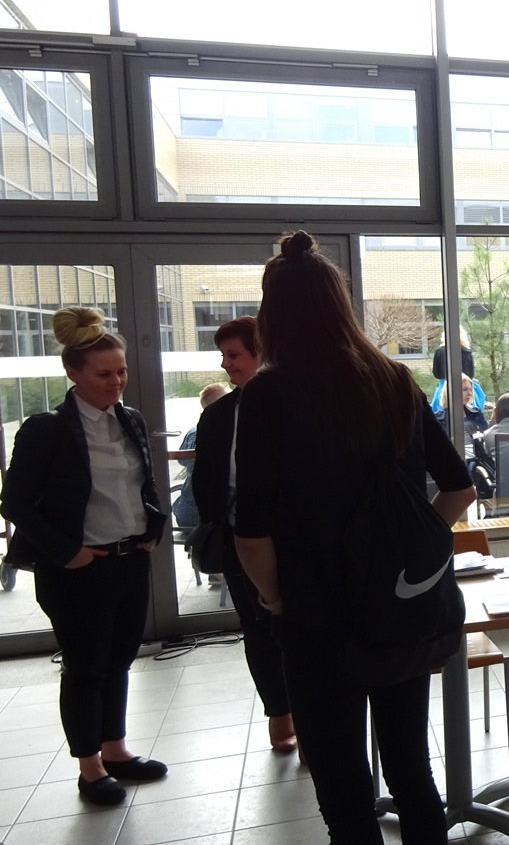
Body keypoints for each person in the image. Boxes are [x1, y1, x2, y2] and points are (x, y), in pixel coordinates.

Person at [232, 231, 476, 844]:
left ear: (271, 314)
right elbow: (458, 489)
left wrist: (275, 599)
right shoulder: (394, 379)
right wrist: (409, 548)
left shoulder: (267, 393)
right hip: (398, 606)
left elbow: (251, 532)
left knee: (343, 790)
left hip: (317, 616)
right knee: (412, 769)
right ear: (339, 304)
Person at [0, 307, 169, 806]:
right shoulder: (46, 429)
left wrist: (153, 526)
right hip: (78, 568)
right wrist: (66, 552)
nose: (116, 382)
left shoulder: (130, 419)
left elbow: (142, 484)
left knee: (119, 659)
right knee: (85, 666)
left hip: (129, 559)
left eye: (121, 371)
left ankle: (115, 750)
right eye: (103, 374)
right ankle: (89, 766)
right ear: (73, 373)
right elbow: (15, 503)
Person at [190, 316, 299, 757]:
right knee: (258, 632)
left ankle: (309, 717)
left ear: (260, 353)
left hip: (296, 542)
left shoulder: (296, 404)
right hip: (240, 541)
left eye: (234, 355)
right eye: (223, 356)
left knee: (301, 631)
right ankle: (280, 713)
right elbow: (204, 481)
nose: (226, 364)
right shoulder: (218, 416)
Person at [170, 381, 230, 532]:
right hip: (200, 512)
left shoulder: (194, 431)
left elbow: (183, 460)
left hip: (186, 508)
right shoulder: (203, 432)